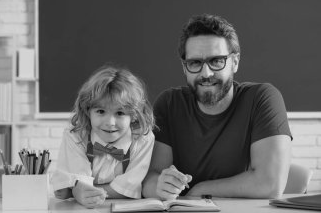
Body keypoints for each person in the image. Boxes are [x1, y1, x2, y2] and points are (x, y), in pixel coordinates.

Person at [142, 14, 292, 200]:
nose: (206, 73)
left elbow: (269, 184)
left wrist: (199, 189)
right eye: (195, 63)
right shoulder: (169, 103)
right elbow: (149, 178)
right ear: (184, 67)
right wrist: (159, 186)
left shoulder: (262, 98)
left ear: (235, 62)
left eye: (216, 61)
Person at [51, 65, 155, 208]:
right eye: (101, 111)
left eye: (120, 113)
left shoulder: (142, 138)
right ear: (88, 111)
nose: (110, 123)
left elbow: (130, 187)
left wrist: (75, 190)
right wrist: (76, 188)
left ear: (134, 115)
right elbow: (76, 183)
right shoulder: (76, 134)